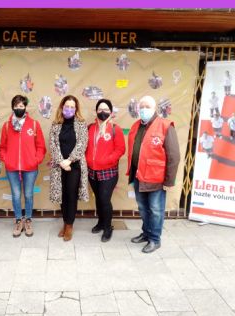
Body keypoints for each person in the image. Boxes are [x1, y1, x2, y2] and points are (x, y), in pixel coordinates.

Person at [127, 96, 180, 253]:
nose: (143, 109)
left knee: (156, 209)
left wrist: (169, 181)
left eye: (147, 106)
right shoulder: (136, 125)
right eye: (141, 106)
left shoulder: (165, 126)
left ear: (154, 108)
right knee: (143, 208)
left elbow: (174, 155)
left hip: (156, 178)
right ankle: (146, 233)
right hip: (138, 175)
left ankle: (155, 240)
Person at [0, 95, 46, 238]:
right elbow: (2, 147)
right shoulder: (7, 126)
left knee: (28, 194)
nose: (19, 108)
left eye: (21, 106)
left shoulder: (33, 124)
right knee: (16, 195)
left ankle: (28, 220)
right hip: (12, 167)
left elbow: (40, 146)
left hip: (30, 167)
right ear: (12, 107)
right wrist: (6, 159)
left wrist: (35, 160)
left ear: (25, 107)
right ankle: (18, 220)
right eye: (16, 106)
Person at [49, 95, 89, 241]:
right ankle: (65, 222)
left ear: (76, 108)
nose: (69, 109)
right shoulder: (56, 124)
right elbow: (52, 144)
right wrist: (61, 162)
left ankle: (69, 225)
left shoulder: (81, 123)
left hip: (75, 166)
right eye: (67, 106)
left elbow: (82, 144)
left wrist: (69, 161)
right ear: (62, 107)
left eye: (72, 107)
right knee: (62, 195)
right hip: (59, 167)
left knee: (71, 195)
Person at [85, 99, 125, 242]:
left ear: (111, 112)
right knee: (98, 198)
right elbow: (85, 147)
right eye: (100, 109)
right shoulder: (90, 128)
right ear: (96, 111)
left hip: (108, 172)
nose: (103, 112)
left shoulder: (115, 129)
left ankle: (108, 227)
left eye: (106, 109)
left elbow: (120, 149)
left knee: (104, 199)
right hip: (92, 171)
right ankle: (101, 222)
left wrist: (107, 160)